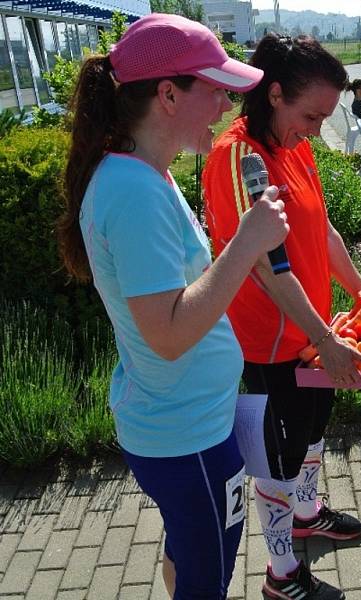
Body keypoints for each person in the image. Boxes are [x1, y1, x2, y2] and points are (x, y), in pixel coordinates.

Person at [57, 13, 287, 598]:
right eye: (214, 89)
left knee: (188, 553)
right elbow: (167, 333)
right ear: (167, 94)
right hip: (188, 438)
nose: (227, 105)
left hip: (190, 423)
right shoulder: (133, 191)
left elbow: (177, 300)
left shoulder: (143, 176)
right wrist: (248, 242)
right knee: (205, 577)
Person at [202, 34, 361, 600]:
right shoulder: (240, 157)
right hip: (270, 345)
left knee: (311, 435)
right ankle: (281, 574)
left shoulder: (296, 144)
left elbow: (324, 231)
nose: (315, 128)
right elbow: (263, 265)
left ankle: (308, 514)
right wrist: (323, 337)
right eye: (311, 115)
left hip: (317, 332)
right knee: (276, 462)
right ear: (275, 93)